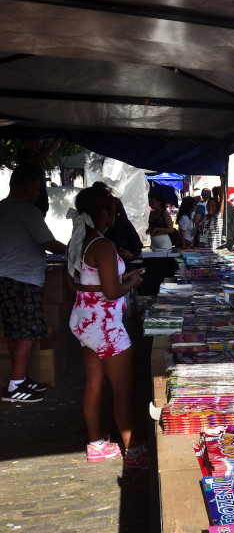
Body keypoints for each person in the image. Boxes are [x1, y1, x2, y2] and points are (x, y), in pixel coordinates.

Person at [67, 186, 148, 467]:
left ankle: (96, 444)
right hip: (105, 326)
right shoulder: (103, 244)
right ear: (103, 212)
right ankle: (134, 451)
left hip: (84, 322)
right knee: (124, 390)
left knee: (94, 384)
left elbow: (77, 283)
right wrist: (131, 281)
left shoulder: (80, 241)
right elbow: (113, 292)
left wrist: (118, 277)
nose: (115, 214)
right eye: (112, 209)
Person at [0, 164, 69, 403]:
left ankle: (19, 379)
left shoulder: (2, 208)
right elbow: (48, 243)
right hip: (24, 280)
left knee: (14, 332)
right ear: (29, 186)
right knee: (27, 333)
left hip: (6, 278)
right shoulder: (28, 211)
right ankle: (15, 386)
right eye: (38, 188)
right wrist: (77, 250)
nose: (38, 193)